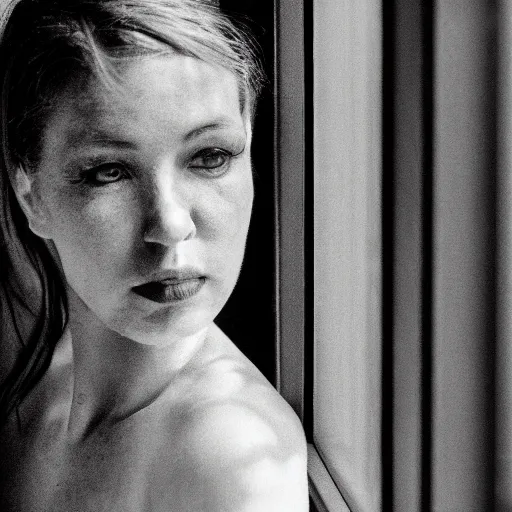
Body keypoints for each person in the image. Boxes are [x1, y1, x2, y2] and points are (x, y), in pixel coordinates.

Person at [0, 0, 308, 510]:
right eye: (109, 172)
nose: (170, 225)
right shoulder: (35, 384)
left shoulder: (230, 458)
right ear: (30, 195)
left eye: (210, 157)